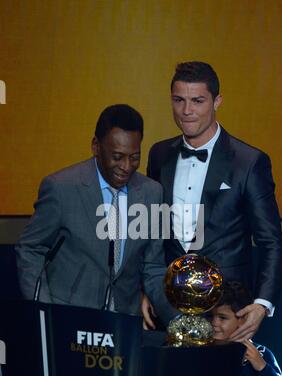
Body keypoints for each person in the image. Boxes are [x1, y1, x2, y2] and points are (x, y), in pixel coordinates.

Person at [144, 61, 282, 339]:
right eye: (179, 100)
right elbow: (154, 232)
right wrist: (146, 289)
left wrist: (262, 304)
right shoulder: (159, 154)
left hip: (227, 311)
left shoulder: (249, 162)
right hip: (168, 305)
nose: (187, 111)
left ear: (217, 101)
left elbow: (271, 241)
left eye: (197, 101)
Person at [15, 104, 176, 324]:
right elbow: (30, 248)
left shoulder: (152, 192)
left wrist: (177, 317)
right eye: (117, 156)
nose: (126, 166)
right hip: (66, 316)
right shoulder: (61, 187)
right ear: (96, 147)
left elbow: (153, 267)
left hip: (124, 322)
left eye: (134, 157)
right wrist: (45, 310)